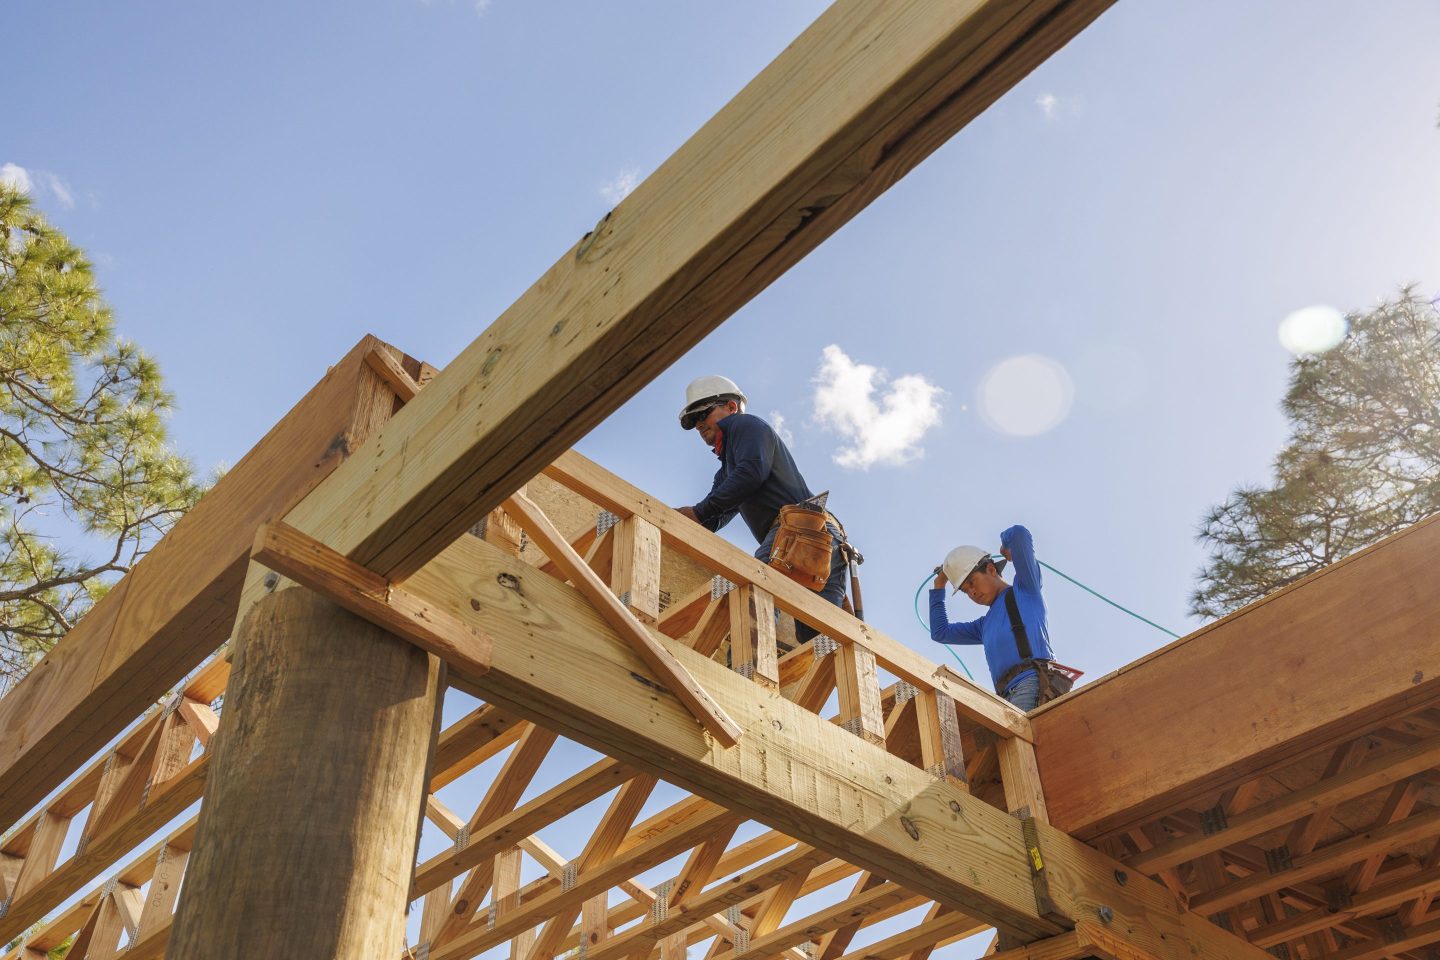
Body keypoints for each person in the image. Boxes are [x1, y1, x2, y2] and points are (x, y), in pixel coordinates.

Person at [673, 376, 847, 642]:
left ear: (731, 407)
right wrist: (684, 521)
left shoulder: (745, 425)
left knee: (756, 589)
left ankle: (745, 673)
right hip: (813, 537)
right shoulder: (729, 469)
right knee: (816, 637)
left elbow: (750, 474)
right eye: (694, 421)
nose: (699, 424)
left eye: (704, 414)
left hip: (803, 531)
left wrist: (698, 512)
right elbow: (718, 509)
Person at [929, 525, 1064, 711]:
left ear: (991, 570)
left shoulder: (1025, 589)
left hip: (1031, 682)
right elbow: (940, 633)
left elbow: (1019, 533)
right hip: (1003, 697)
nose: (972, 592)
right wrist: (939, 586)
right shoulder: (983, 626)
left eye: (972, 582)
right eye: (966, 591)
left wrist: (1007, 547)